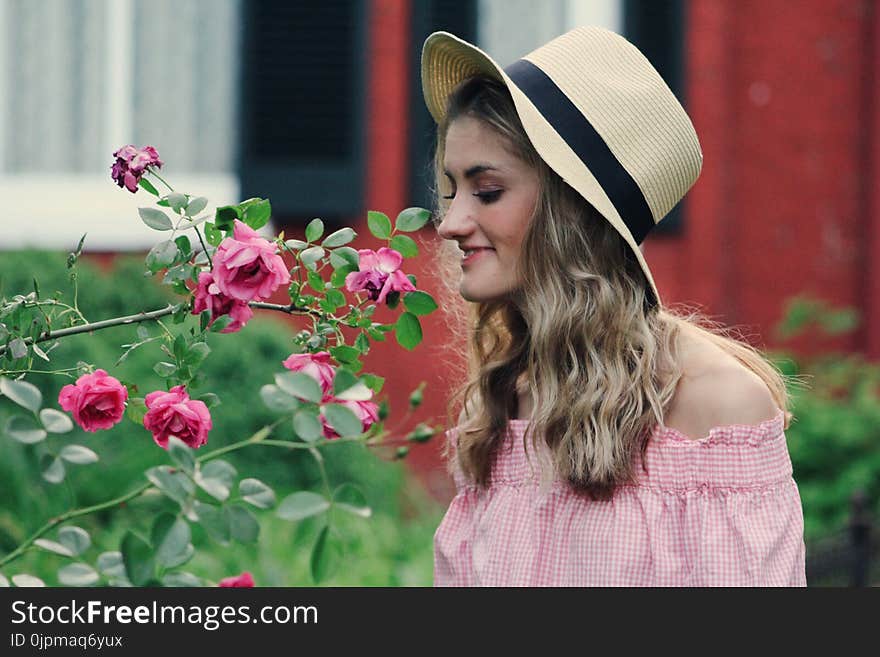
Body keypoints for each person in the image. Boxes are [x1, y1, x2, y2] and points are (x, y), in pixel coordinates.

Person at [420, 26, 806, 586]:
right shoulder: (504, 397)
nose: (452, 223)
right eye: (452, 189)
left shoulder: (716, 408)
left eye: (487, 191)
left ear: (570, 213)